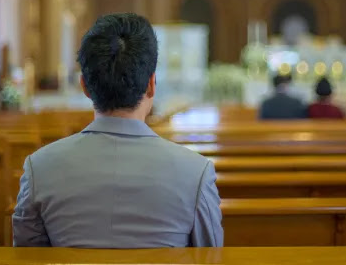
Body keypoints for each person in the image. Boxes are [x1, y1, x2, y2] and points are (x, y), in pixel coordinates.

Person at [13, 13, 223, 248]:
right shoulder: (196, 173)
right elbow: (210, 258)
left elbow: (26, 258)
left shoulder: (39, 169)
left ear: (85, 87)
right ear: (152, 84)